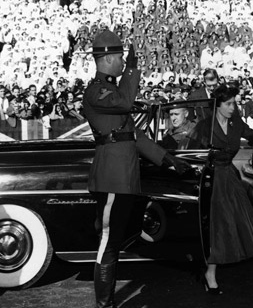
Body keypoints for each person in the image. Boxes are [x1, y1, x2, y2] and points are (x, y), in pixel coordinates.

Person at [82, 30, 189, 308]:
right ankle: (104, 304)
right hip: (113, 177)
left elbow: (132, 136)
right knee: (108, 241)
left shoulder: (113, 91)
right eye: (119, 58)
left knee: (116, 237)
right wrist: (132, 70)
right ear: (106, 59)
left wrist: (168, 160)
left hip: (124, 177)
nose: (122, 62)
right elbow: (126, 103)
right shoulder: (97, 91)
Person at [190, 84, 253, 295]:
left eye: (234, 103)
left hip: (229, 177)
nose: (233, 107)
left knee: (233, 224)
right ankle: (210, 272)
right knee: (217, 226)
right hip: (210, 179)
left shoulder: (236, 122)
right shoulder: (204, 126)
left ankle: (213, 268)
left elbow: (252, 134)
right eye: (228, 104)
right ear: (217, 105)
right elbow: (193, 152)